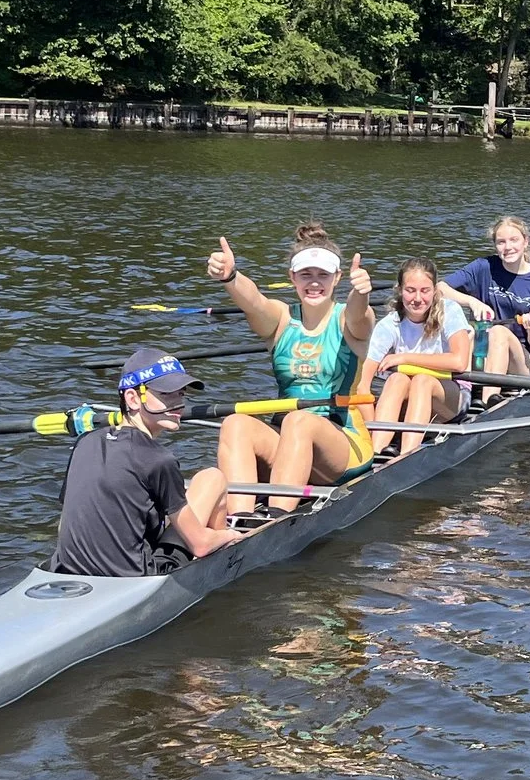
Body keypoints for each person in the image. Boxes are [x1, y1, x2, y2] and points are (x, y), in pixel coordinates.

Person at [208, 223, 376, 512]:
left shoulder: (346, 319)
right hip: (287, 439)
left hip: (342, 441)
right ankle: (239, 519)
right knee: (235, 423)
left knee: (299, 421)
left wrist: (361, 292)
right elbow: (254, 302)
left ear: (337, 278)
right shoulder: (281, 319)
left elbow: (360, 316)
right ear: (292, 278)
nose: (314, 282)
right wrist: (231, 277)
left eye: (323, 275)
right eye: (305, 275)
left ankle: (277, 518)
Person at [49, 346, 243, 577]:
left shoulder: (85, 442)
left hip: (66, 571)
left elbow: (64, 527)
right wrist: (231, 536)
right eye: (166, 394)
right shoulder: (159, 459)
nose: (178, 403)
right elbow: (200, 545)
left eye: (181, 393)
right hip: (137, 578)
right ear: (132, 398)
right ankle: (223, 568)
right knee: (213, 478)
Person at [364, 258, 474, 454]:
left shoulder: (450, 311)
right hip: (410, 401)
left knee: (422, 380)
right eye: (410, 290)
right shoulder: (389, 324)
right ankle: (375, 452)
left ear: (435, 291)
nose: (417, 298)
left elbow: (459, 362)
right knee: (397, 378)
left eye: (425, 291)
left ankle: (406, 454)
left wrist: (405, 358)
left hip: (452, 398)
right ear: (399, 290)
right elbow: (363, 384)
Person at [441, 214, 530, 380]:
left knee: (499, 332)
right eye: (501, 242)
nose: (508, 247)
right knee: (468, 333)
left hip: (522, 360)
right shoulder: (483, 267)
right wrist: (472, 302)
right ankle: (461, 393)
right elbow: (439, 289)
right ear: (495, 245)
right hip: (482, 349)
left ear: (525, 242)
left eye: (514, 240)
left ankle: (489, 397)